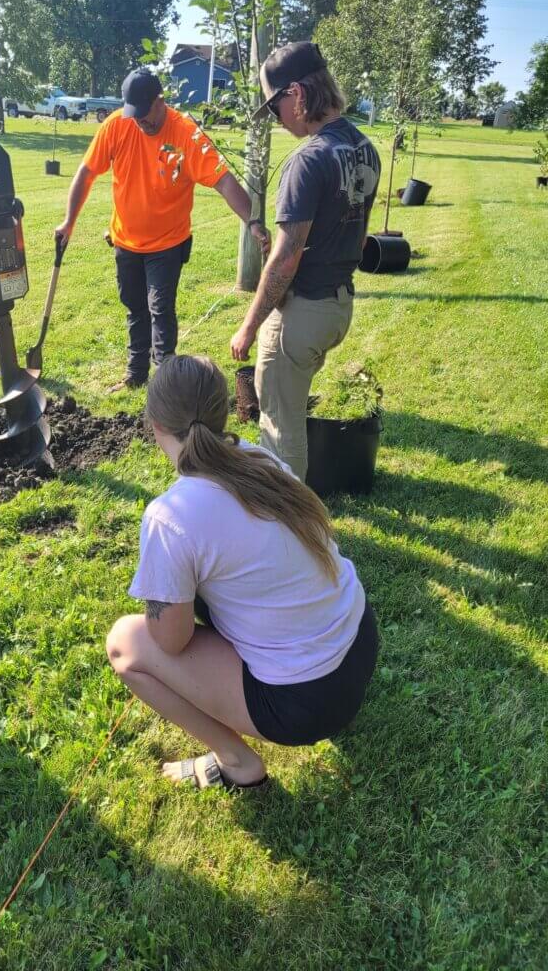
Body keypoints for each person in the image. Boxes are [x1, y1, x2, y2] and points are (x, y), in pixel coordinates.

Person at [106, 355, 378, 790]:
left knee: (125, 643)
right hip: (361, 644)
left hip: (307, 702)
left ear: (155, 425)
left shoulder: (170, 517)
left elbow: (169, 641)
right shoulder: (260, 459)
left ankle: (237, 762)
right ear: (228, 409)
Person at [56, 68, 270, 392]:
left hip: (168, 243)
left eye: (145, 114)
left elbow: (224, 181)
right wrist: (69, 221)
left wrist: (252, 221)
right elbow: (86, 173)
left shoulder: (185, 133)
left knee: (160, 308)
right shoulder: (116, 125)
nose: (141, 122)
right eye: (135, 115)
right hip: (125, 240)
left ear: (160, 101)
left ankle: (165, 380)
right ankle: (135, 374)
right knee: (134, 306)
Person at [230, 42, 381, 482]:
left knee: (279, 426)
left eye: (275, 107)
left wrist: (249, 325)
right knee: (290, 404)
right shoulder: (364, 148)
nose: (277, 119)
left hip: (303, 311)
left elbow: (285, 260)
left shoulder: (307, 160)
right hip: (338, 306)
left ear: (295, 94)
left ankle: (289, 521)